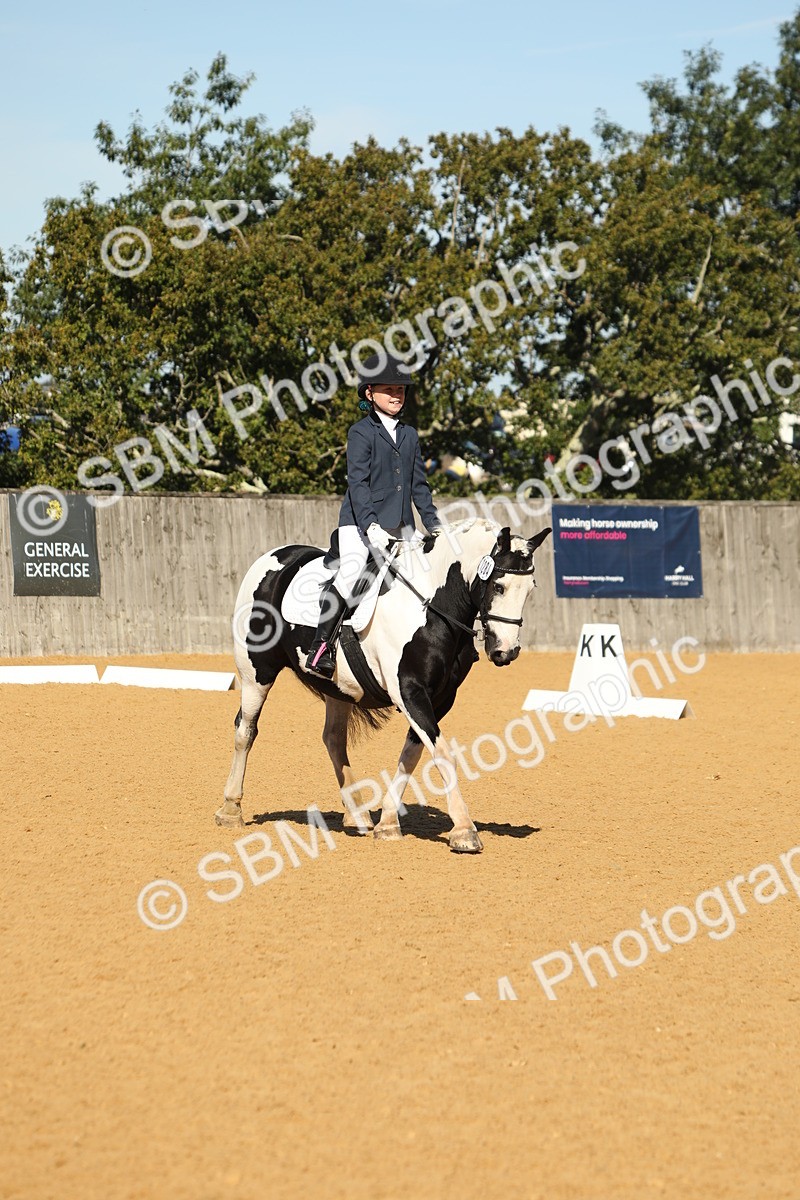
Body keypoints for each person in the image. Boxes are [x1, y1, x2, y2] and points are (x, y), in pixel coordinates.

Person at [305, 353, 441, 678]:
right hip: (359, 522)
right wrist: (371, 527)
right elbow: (358, 484)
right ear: (370, 393)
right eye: (389, 389)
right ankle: (320, 648)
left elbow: (419, 485)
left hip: (403, 526)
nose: (397, 395)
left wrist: (434, 525)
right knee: (351, 574)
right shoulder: (360, 432)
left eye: (401, 390)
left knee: (429, 577)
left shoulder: (409, 435)